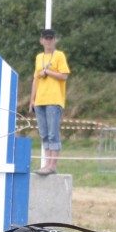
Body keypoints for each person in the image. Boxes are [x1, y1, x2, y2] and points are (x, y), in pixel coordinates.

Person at [28, 28, 70, 175]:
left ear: (55, 40)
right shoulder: (39, 57)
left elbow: (64, 76)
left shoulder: (59, 55)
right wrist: (32, 100)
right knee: (44, 134)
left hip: (54, 99)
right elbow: (36, 79)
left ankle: (52, 165)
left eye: (51, 38)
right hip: (40, 100)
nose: (48, 41)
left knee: (53, 133)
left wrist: (48, 72)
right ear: (41, 40)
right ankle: (46, 163)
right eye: (46, 38)